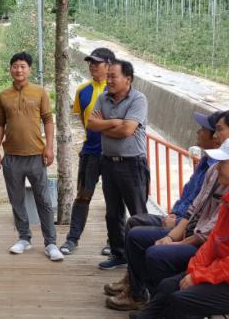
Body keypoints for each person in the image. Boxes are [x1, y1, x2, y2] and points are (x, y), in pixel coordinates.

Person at [105, 111, 229, 311]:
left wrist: (192, 264)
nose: (211, 134)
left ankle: (155, 301)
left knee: (157, 254)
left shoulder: (221, 174)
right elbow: (194, 206)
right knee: (136, 229)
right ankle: (142, 293)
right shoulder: (211, 168)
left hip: (199, 240)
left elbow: (210, 237)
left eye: (218, 130)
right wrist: (173, 235)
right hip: (190, 230)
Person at [130, 137, 229, 319]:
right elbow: (212, 244)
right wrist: (195, 269)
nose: (218, 168)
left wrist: (199, 276)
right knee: (168, 285)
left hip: (223, 275)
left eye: (223, 163)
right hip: (214, 265)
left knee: (181, 299)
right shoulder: (226, 200)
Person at [0, 51, 64, 261]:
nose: (19, 70)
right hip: (11, 157)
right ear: (10, 69)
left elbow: (48, 120)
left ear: (30, 69)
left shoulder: (39, 92)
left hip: (36, 156)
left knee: (44, 200)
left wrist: (49, 147)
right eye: (15, 66)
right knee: (16, 200)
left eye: (23, 66)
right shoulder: (3, 96)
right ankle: (24, 238)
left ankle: (50, 242)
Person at [87, 59, 150, 270]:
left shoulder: (138, 99)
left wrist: (104, 125)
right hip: (108, 162)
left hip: (132, 164)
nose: (109, 80)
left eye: (113, 76)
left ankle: (142, 260)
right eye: (108, 76)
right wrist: (115, 122)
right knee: (113, 213)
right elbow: (91, 124)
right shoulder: (103, 98)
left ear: (128, 79)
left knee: (138, 213)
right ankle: (119, 254)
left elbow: (127, 130)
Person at [60, 47, 115, 255]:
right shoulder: (82, 90)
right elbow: (83, 122)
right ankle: (72, 239)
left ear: (109, 66)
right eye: (90, 62)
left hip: (113, 154)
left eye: (97, 63)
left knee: (114, 200)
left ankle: (113, 241)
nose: (92, 66)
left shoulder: (117, 90)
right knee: (83, 196)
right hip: (90, 152)